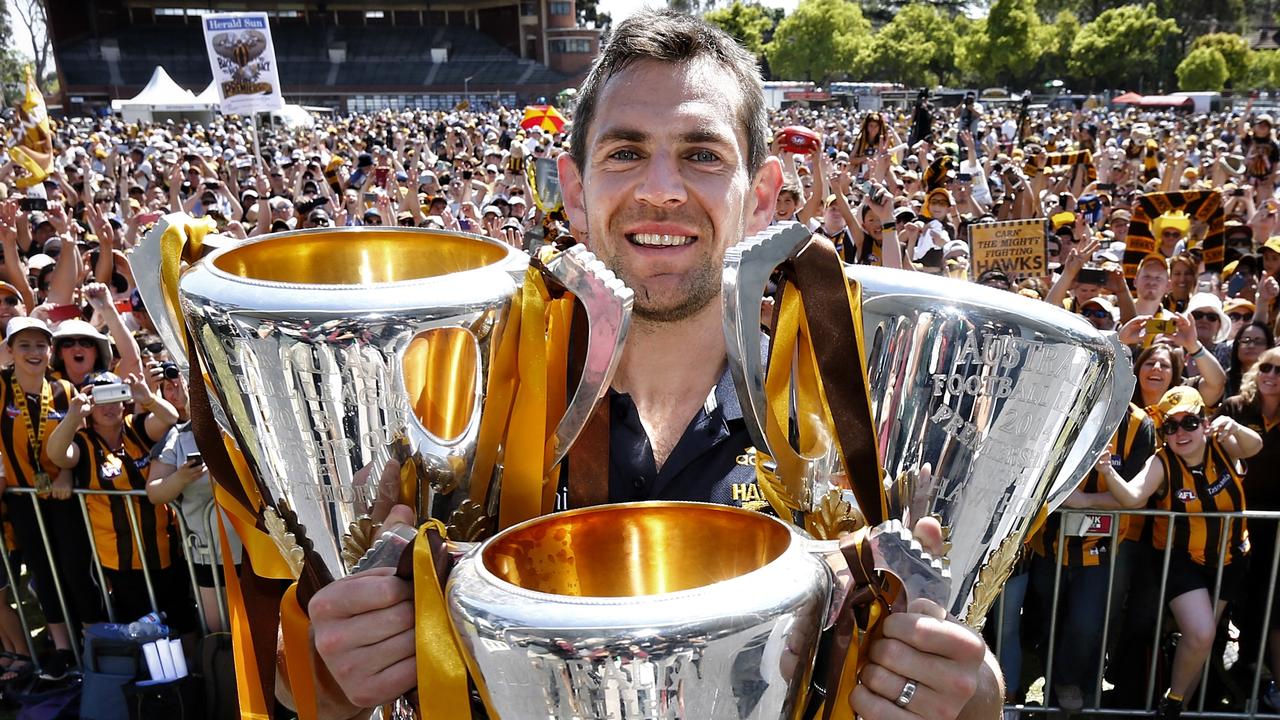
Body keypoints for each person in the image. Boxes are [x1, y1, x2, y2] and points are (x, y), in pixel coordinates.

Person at [305, 11, 997, 720]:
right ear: (574, 190)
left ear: (759, 197)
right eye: (625, 153)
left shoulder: (858, 430)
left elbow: (968, 678)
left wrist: (957, 689)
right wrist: (337, 680)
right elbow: (309, 686)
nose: (662, 188)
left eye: (702, 154)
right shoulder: (453, 423)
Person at [1093, 387, 1263, 719]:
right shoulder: (1162, 460)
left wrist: (1235, 427)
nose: (1180, 432)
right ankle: (1172, 705)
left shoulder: (1223, 443)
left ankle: (1175, 707)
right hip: (1181, 560)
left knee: (1200, 643)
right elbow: (1132, 497)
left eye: (1189, 422)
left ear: (1204, 421)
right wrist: (1107, 471)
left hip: (1231, 561)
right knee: (1201, 633)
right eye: (1171, 426)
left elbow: (1254, 447)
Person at [45, 371, 198, 636]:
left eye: (114, 396)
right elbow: (57, 454)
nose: (109, 406)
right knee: (140, 633)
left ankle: (190, 675)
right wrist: (73, 416)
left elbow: (170, 418)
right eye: (100, 398)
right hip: (122, 562)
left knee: (182, 624)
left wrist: (147, 398)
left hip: (166, 552)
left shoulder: (136, 427)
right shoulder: (84, 443)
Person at [0, 317, 104, 678]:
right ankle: (62, 648)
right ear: (9, 351)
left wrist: (67, 472)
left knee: (77, 571)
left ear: (51, 351)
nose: (34, 353)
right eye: (24, 345)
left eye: (41, 345)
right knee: (43, 574)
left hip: (65, 496)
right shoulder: (0, 386)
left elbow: (85, 442)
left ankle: (94, 642)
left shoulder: (64, 390)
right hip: (22, 499)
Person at [1217, 346, 1280, 709]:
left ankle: (1256, 670)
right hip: (1231, 520)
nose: (1271, 374)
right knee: (1228, 598)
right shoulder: (1236, 408)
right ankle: (1213, 676)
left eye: (1279, 369)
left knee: (1267, 601)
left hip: (1276, 528)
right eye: (1266, 366)